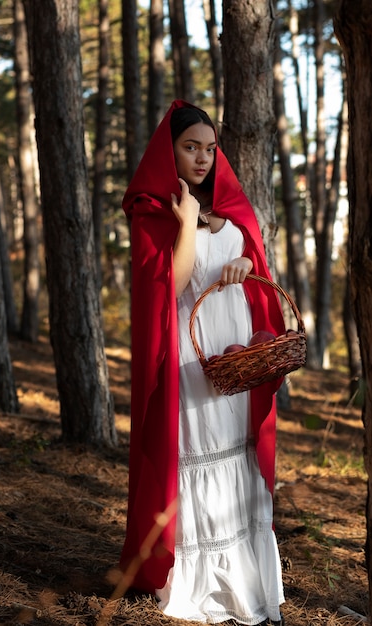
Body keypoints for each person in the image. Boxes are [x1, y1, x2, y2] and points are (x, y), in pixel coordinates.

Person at [120, 99, 286, 625]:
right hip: (193, 353)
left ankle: (248, 583)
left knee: (237, 451)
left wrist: (243, 260)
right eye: (190, 148)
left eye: (210, 149)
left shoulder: (230, 206)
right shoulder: (154, 207)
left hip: (235, 348)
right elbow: (171, 281)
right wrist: (187, 222)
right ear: (169, 151)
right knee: (202, 448)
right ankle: (206, 589)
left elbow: (251, 259)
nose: (203, 158)